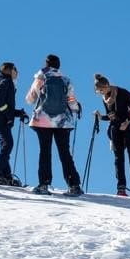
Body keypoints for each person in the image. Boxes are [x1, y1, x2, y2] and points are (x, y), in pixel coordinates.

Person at [25, 54, 82, 196]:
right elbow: (71, 101)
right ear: (59, 66)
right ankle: (74, 185)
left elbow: (30, 99)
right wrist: (76, 108)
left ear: (46, 64)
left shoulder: (41, 78)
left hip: (43, 121)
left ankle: (44, 185)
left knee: (45, 151)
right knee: (65, 152)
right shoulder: (65, 80)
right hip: (63, 122)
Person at [92, 74, 130, 197]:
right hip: (116, 128)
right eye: (98, 91)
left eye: (101, 90)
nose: (100, 93)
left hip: (129, 127)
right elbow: (111, 116)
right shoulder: (105, 98)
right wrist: (101, 117)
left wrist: (128, 121)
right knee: (118, 158)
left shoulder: (123, 93)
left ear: (106, 86)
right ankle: (121, 187)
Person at [0, 62, 28, 185]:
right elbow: (0, 101)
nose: (17, 73)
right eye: (15, 70)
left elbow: (4, 105)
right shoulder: (6, 81)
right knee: (7, 145)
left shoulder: (2, 81)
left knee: (5, 146)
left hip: (0, 119)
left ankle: (6, 175)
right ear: (9, 71)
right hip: (1, 120)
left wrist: (17, 113)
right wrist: (9, 115)